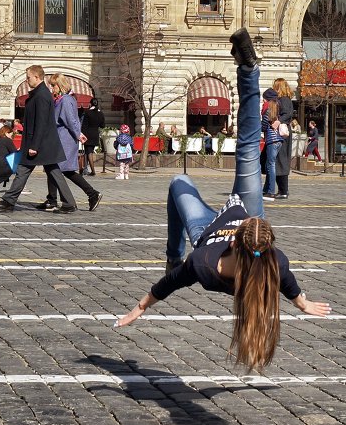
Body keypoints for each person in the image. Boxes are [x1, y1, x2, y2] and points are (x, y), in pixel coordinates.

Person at [115, 29, 331, 371]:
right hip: (245, 209)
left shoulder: (202, 263)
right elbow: (287, 283)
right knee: (247, 144)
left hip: (204, 228)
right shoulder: (272, 262)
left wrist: (140, 307)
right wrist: (301, 302)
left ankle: (172, 253)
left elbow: (167, 286)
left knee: (180, 180)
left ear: (236, 243)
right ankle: (248, 70)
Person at [0, 65, 74, 212]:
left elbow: (41, 123)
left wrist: (34, 146)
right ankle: (69, 203)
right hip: (42, 143)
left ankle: (9, 201)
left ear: (37, 77)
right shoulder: (39, 94)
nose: (27, 80)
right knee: (49, 171)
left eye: (28, 77)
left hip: (40, 143)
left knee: (26, 170)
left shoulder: (41, 95)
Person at [37, 74, 101, 212]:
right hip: (60, 138)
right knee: (54, 168)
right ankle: (52, 199)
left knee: (59, 169)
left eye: (53, 85)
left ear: (60, 86)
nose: (52, 88)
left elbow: (70, 120)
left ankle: (91, 193)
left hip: (64, 139)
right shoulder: (62, 100)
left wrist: (78, 134)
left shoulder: (65, 100)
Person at [271, 78, 295, 200]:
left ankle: (283, 190)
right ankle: (282, 189)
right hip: (282, 131)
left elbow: (287, 114)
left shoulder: (284, 100)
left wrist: (278, 121)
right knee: (278, 160)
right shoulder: (283, 99)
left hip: (282, 132)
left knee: (281, 160)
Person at [260, 88, 284, 200]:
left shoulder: (267, 109)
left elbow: (264, 125)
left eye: (263, 99)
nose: (262, 101)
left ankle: (270, 191)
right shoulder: (276, 108)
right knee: (269, 164)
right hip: (278, 140)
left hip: (272, 140)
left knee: (270, 165)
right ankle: (266, 189)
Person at [80, 98, 104, 175]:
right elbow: (102, 125)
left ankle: (93, 171)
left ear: (90, 104)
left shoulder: (87, 112)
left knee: (89, 152)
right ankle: (85, 169)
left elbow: (84, 125)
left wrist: (82, 135)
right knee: (88, 151)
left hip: (87, 134)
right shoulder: (100, 113)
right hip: (95, 134)